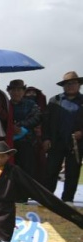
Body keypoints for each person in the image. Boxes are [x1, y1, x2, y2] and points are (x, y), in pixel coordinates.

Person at [42, 71, 83, 203]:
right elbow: (46, 122)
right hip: (56, 142)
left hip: (75, 144)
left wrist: (81, 132)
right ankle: (47, 199)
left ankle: (68, 200)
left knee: (72, 172)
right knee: (51, 171)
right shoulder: (54, 101)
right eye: (67, 84)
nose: (70, 86)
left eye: (73, 83)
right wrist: (46, 139)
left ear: (79, 85)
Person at [8, 79, 40, 177]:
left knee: (27, 173)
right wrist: (11, 127)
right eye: (13, 90)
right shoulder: (5, 105)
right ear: (9, 91)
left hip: (27, 142)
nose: (16, 93)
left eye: (19, 90)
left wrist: (20, 126)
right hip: (9, 144)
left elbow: (37, 118)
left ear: (23, 91)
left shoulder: (31, 104)